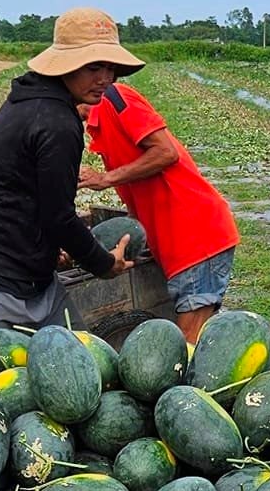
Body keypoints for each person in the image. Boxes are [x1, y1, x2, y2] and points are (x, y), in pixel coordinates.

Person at [0, 8, 137, 328]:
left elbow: (27, 195)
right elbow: (58, 216)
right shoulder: (58, 122)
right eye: (94, 66)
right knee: (1, 375)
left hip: (35, 279)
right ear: (67, 64)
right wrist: (105, 264)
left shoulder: (25, 101)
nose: (105, 78)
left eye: (111, 67)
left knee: (78, 364)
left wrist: (46, 247)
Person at [82, 80, 240, 341]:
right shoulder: (97, 125)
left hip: (196, 237)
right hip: (175, 242)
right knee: (189, 343)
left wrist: (106, 178)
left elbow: (166, 152)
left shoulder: (116, 98)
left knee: (185, 345)